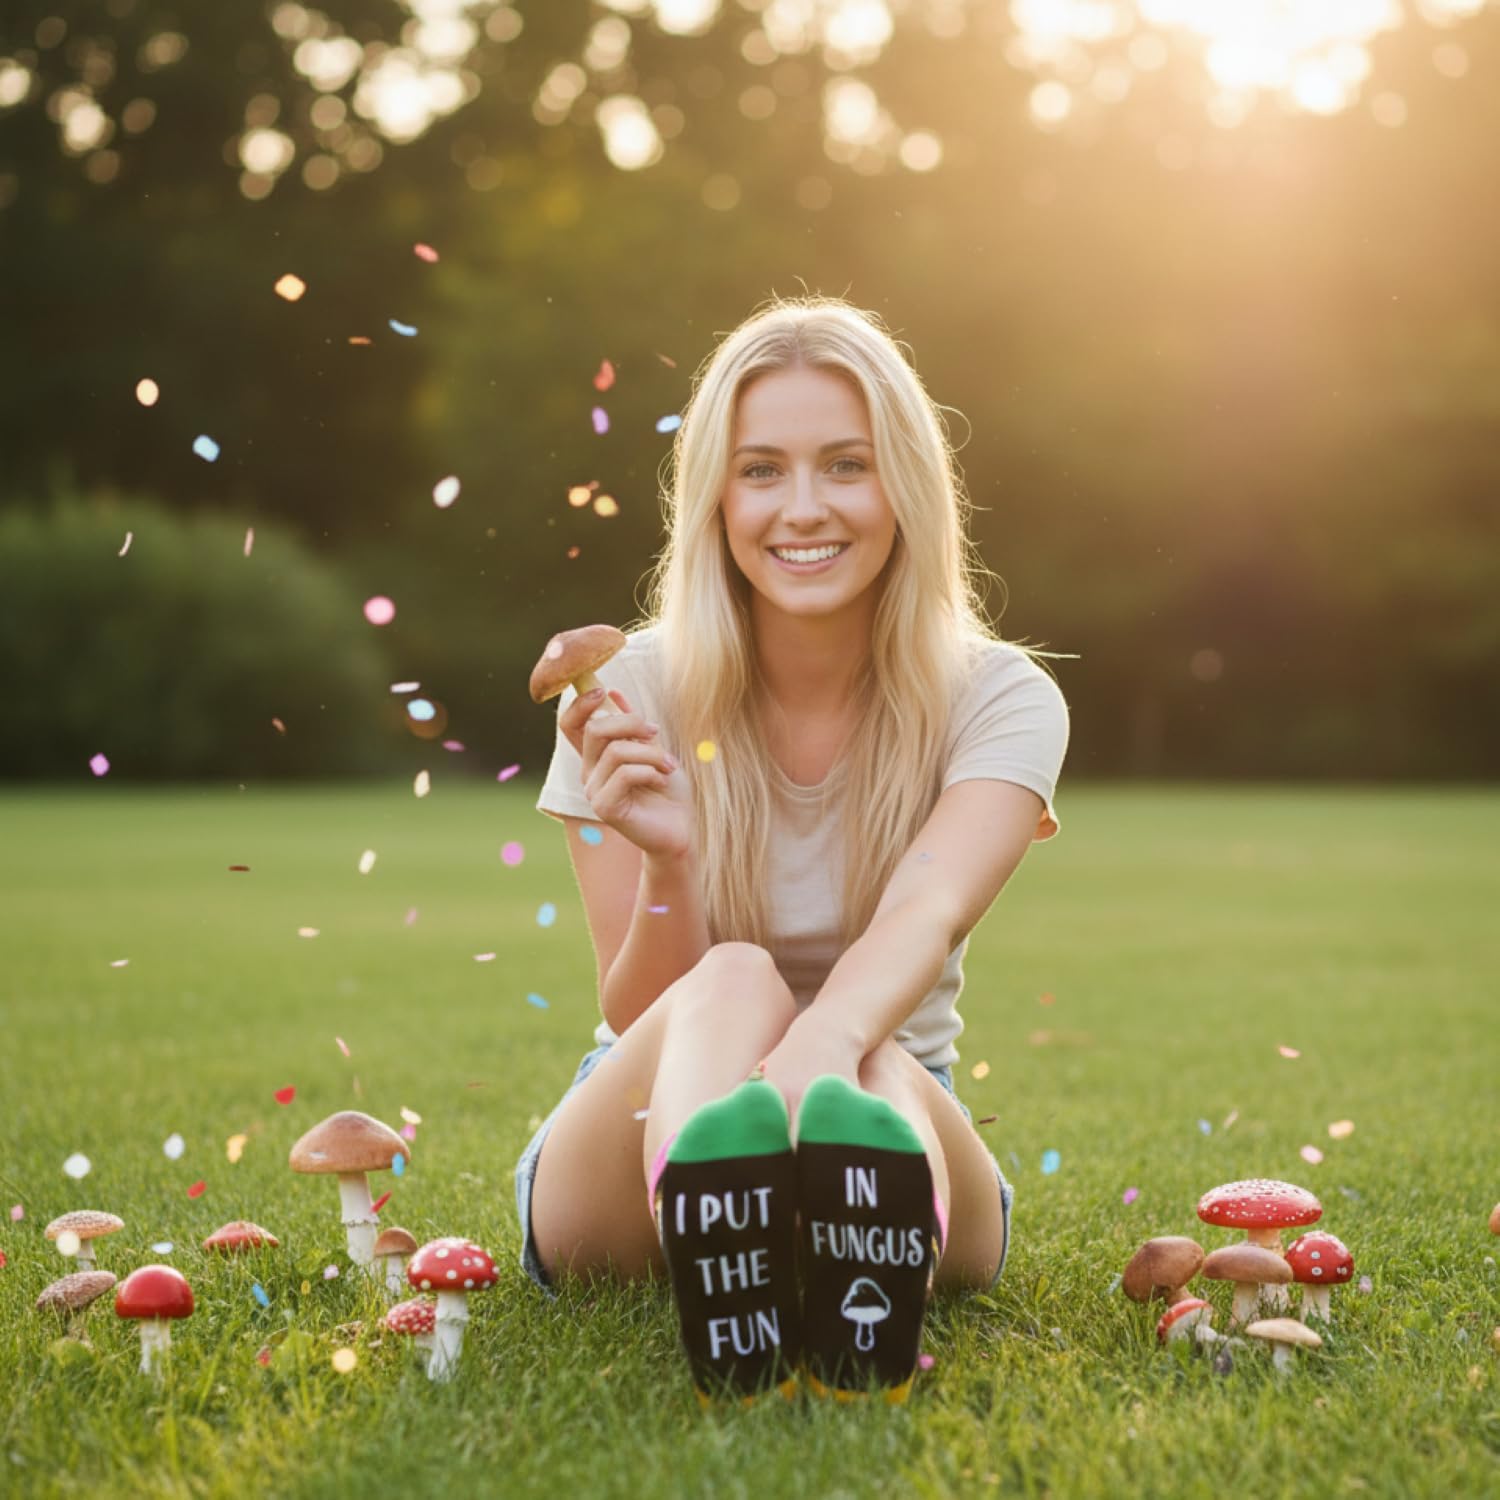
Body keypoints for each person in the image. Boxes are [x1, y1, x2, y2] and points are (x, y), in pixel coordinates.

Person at [517, 293, 1071, 1406]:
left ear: (904, 485)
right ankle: (726, 1233)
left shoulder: (1002, 697)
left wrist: (809, 1065)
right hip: (638, 1145)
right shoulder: (625, 695)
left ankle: (832, 1230)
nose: (802, 507)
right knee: (733, 976)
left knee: (870, 1070)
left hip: (890, 1116)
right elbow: (636, 1015)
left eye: (846, 466)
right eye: (762, 469)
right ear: (716, 496)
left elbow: (925, 909)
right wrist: (670, 860)